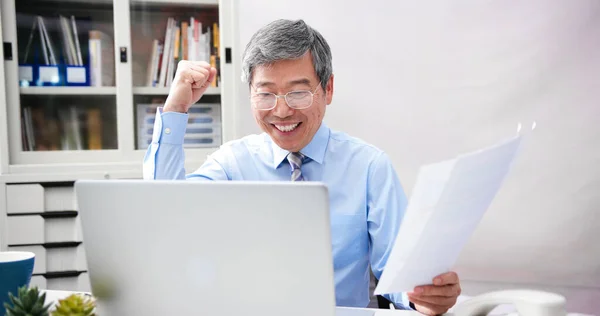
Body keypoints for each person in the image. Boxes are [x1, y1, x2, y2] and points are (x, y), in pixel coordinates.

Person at [143, 19, 461, 315]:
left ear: (328, 89)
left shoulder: (369, 167)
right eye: (266, 93)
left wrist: (424, 298)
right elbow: (164, 215)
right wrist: (176, 107)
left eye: (298, 92)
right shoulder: (232, 164)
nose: (281, 111)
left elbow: (400, 274)